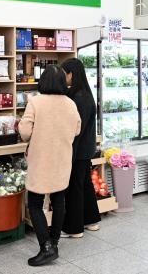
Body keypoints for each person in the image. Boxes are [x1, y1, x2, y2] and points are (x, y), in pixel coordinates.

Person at [19, 65, 80, 267]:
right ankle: (54, 242)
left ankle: (46, 247)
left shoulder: (35, 102)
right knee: (59, 199)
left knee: (35, 203)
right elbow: (77, 129)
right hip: (62, 157)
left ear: (42, 81)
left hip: (41, 159)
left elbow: (25, 132)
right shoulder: (70, 103)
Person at [60, 58, 101, 238]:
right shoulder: (84, 93)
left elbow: (76, 129)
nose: (63, 78)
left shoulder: (78, 98)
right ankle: (91, 220)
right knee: (84, 184)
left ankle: (74, 228)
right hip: (85, 148)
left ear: (71, 74)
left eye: (64, 74)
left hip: (78, 149)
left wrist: (69, 152)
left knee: (74, 188)